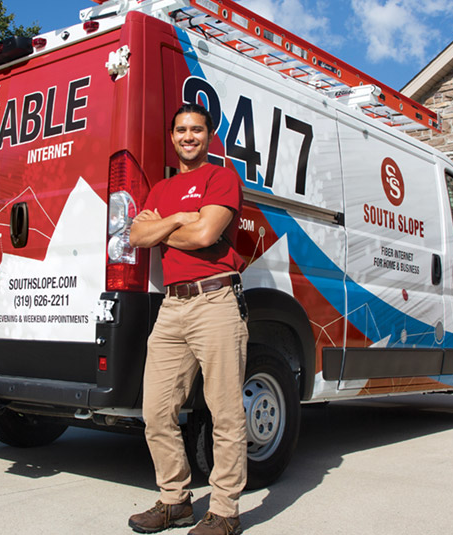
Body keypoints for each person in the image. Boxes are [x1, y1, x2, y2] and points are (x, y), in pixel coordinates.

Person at [127, 103, 248, 535]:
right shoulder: (160, 190)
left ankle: (225, 511)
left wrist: (164, 227)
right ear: (173, 136)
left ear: (208, 136)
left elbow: (205, 235)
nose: (188, 136)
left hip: (215, 302)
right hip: (172, 306)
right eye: (181, 130)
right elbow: (135, 236)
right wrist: (180, 216)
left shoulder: (222, 178)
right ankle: (175, 501)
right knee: (156, 410)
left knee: (225, 413)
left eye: (197, 129)